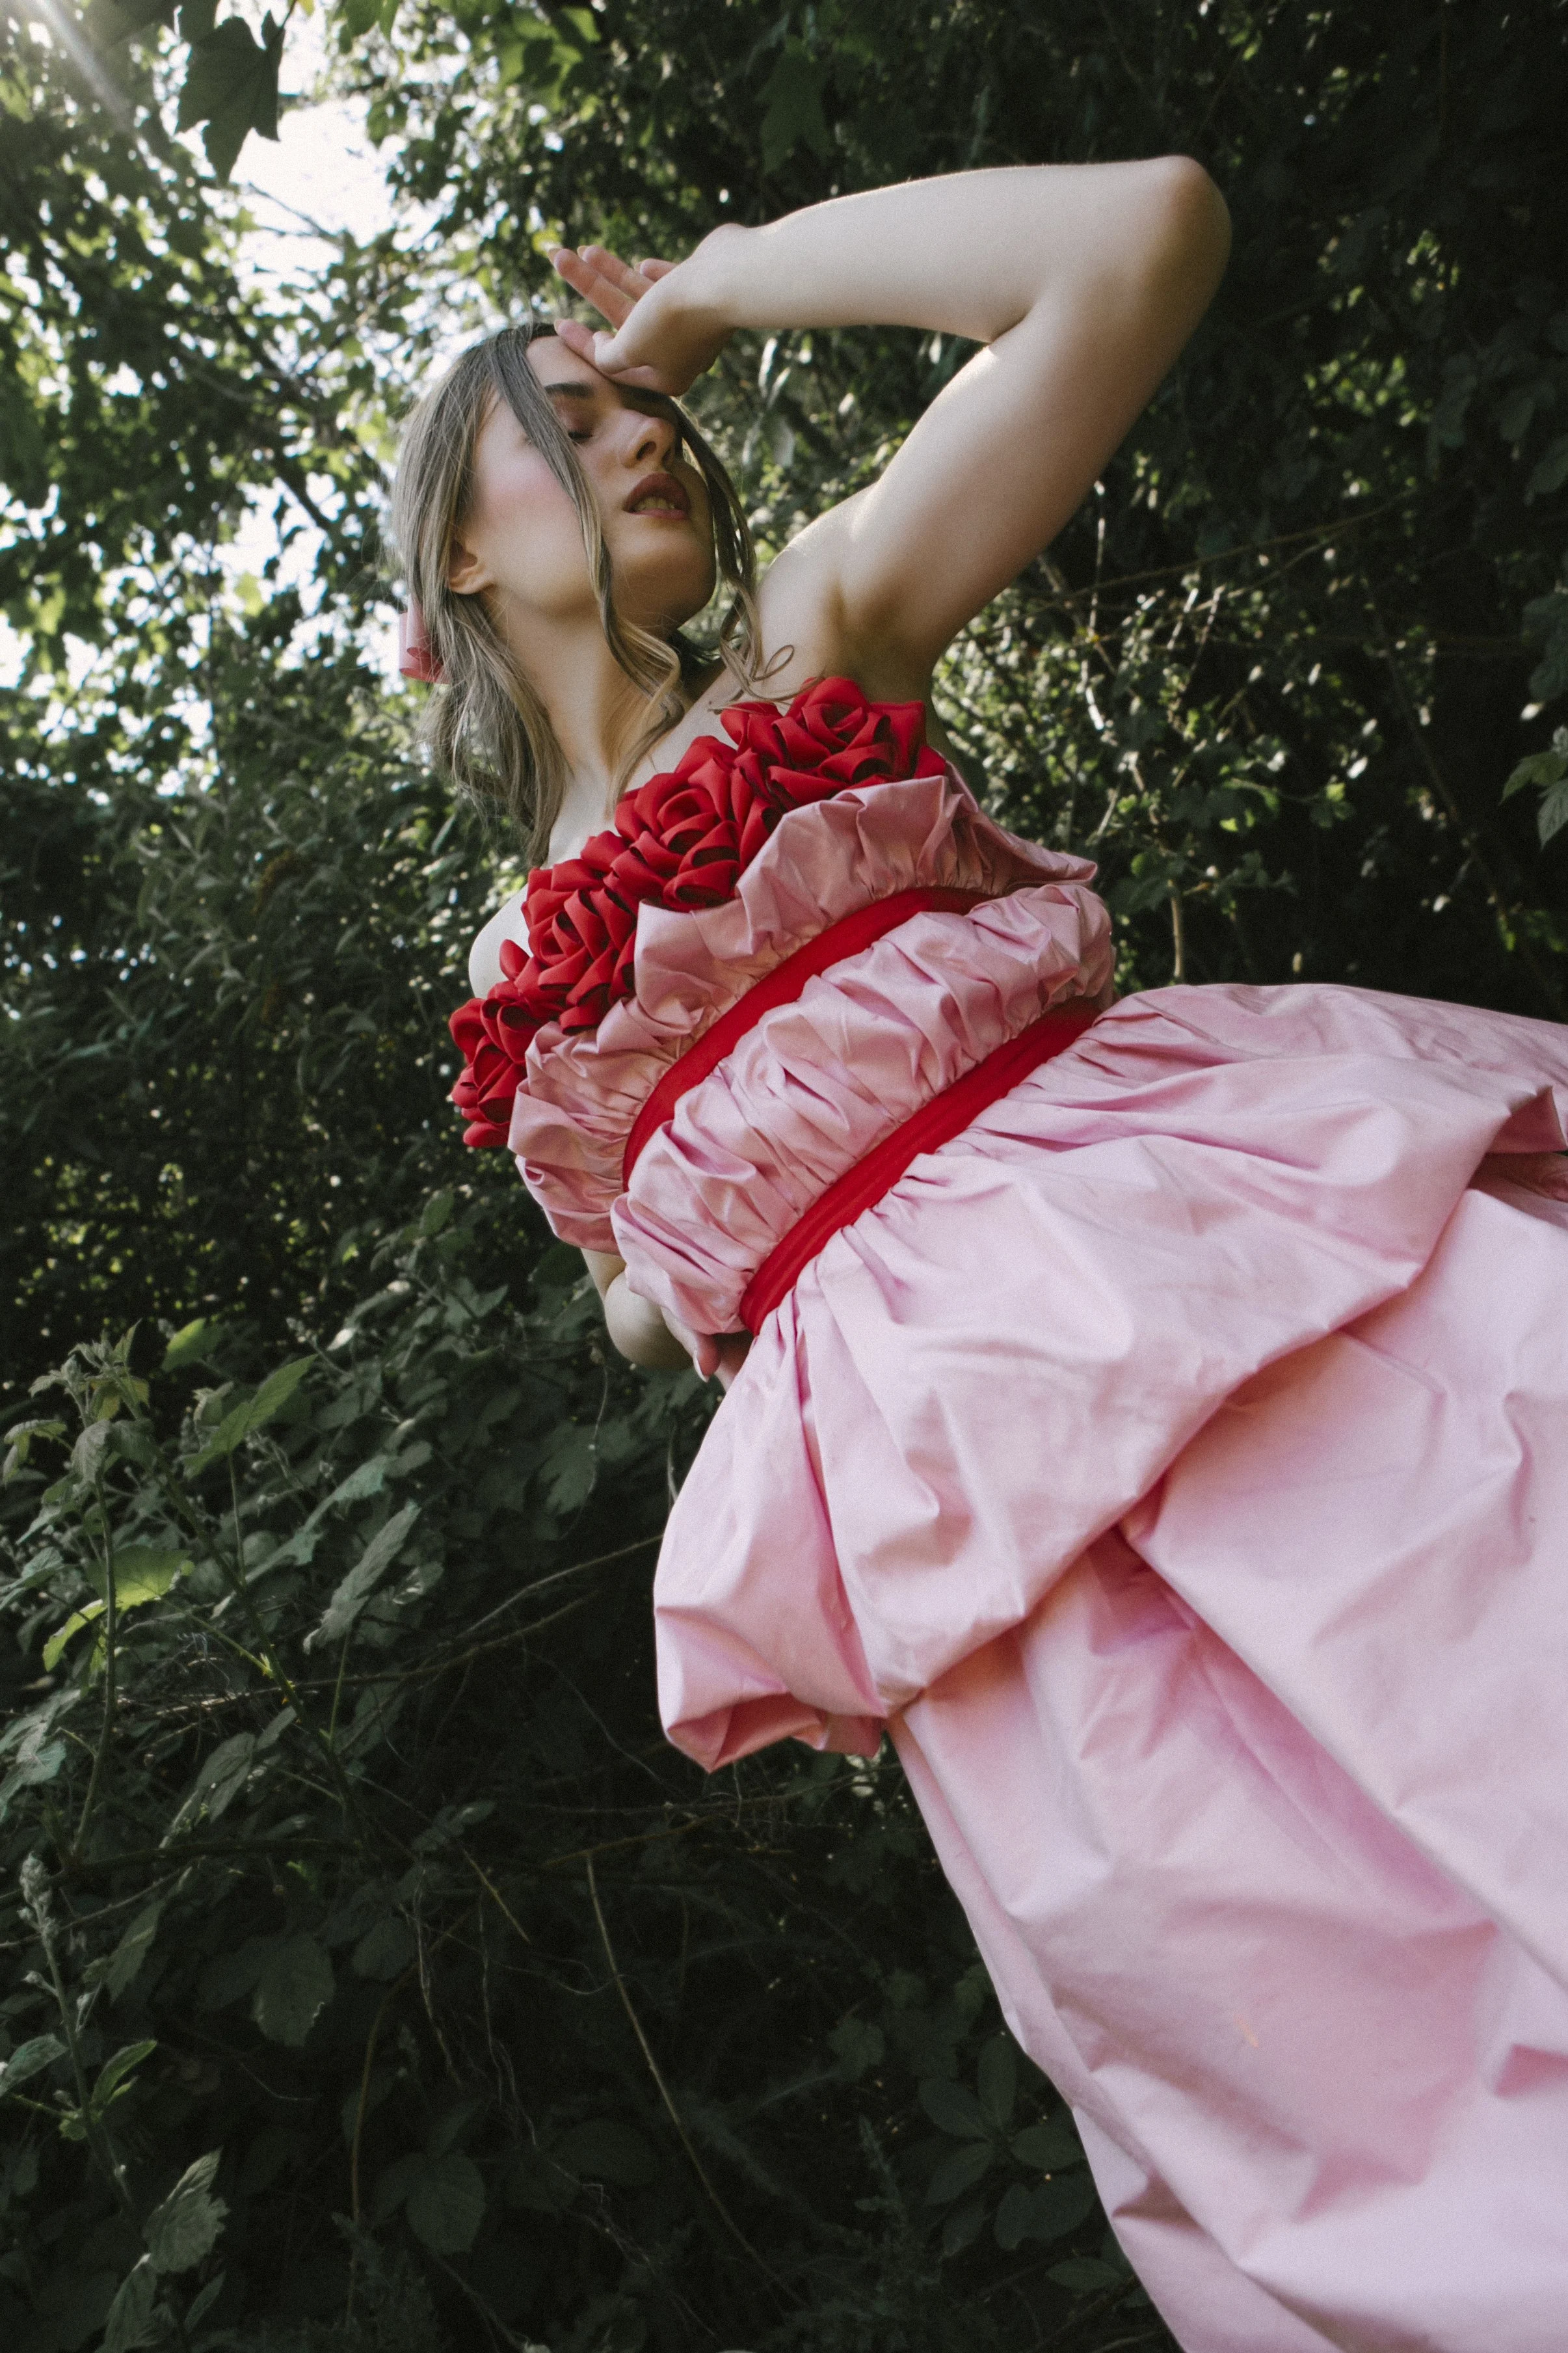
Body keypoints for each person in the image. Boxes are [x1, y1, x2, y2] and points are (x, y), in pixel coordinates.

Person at [391, 165, 1568, 2352]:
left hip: (1190, 1272)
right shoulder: (508, 980)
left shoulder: (813, 638)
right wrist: (713, 1264)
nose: (644, 419)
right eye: (573, 402)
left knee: (1509, 1664)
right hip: (967, 1516)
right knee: (1321, 2039)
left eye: (654, 394)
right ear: (460, 541)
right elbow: (646, 1290)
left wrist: (726, 294)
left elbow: (1144, 237)